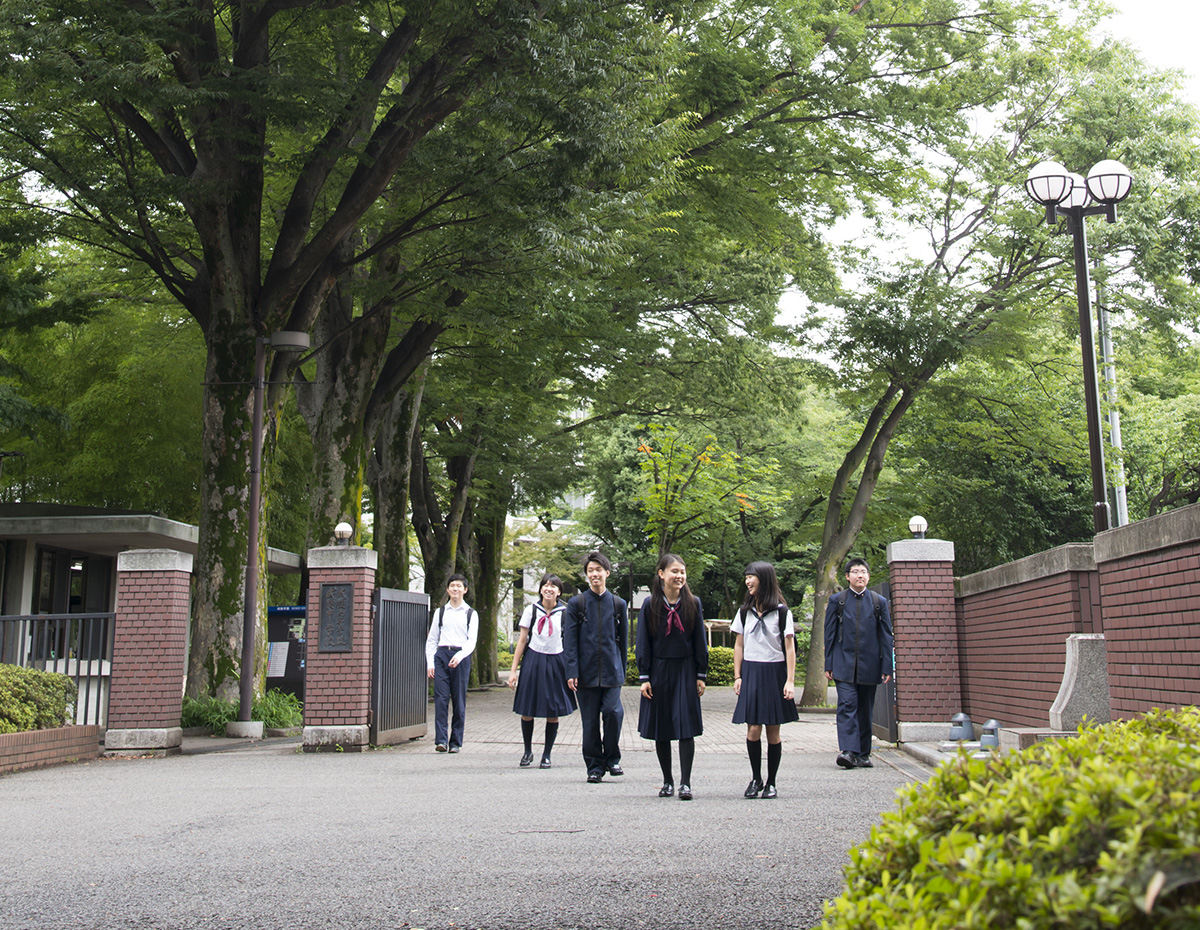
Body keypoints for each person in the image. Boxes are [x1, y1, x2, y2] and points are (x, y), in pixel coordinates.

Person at [636, 553, 708, 801]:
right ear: (661, 574)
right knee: (662, 726)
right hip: (658, 671)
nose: (679, 576)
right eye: (674, 571)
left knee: (685, 726)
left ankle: (685, 783)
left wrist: (701, 673)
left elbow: (700, 640)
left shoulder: (693, 603)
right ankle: (667, 780)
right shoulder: (650, 604)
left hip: (686, 670)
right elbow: (643, 641)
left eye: (682, 572)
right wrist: (644, 675)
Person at [731, 561, 798, 799]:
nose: (748, 581)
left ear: (765, 579)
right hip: (751, 672)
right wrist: (738, 676)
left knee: (773, 730)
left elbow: (790, 649)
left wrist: (790, 681)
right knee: (752, 728)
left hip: (775, 672)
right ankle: (756, 778)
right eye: (746, 577)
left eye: (752, 577)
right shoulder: (743, 612)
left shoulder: (782, 612)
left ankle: (772, 782)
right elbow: (739, 644)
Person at [564, 551, 629, 784]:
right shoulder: (576, 604)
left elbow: (624, 641)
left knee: (613, 712)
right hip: (585, 673)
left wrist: (622, 669)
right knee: (590, 721)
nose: (594, 574)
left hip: (612, 672)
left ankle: (612, 758)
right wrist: (571, 671)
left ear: (607, 573)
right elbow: (569, 642)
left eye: (598, 570)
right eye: (590, 570)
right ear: (586, 575)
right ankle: (594, 766)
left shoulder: (618, 604)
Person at [824, 557, 893, 769]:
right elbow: (829, 634)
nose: (859, 575)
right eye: (855, 572)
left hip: (870, 665)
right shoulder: (838, 601)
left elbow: (886, 636)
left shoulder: (878, 602)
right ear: (847, 577)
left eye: (863, 571)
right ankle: (848, 751)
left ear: (868, 576)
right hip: (843, 664)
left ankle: (863, 753)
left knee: (865, 708)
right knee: (847, 705)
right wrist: (829, 664)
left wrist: (886, 666)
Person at [508, 573, 576, 768]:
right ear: (540, 590)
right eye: (545, 585)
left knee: (552, 709)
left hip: (557, 660)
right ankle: (527, 751)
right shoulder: (532, 610)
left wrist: (572, 672)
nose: (549, 589)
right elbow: (522, 640)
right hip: (533, 659)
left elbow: (571, 643)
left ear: (559, 591)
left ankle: (547, 754)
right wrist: (513, 671)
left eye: (553, 586)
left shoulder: (565, 612)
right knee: (527, 708)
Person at [424, 573, 477, 753]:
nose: (455, 589)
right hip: (441, 656)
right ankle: (441, 740)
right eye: (452, 586)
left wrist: (460, 655)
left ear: (465, 590)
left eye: (459, 586)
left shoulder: (471, 614)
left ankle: (455, 742)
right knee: (441, 699)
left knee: (459, 701)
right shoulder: (440, 612)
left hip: (460, 658)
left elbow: (472, 641)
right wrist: (430, 663)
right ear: (447, 590)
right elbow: (431, 640)